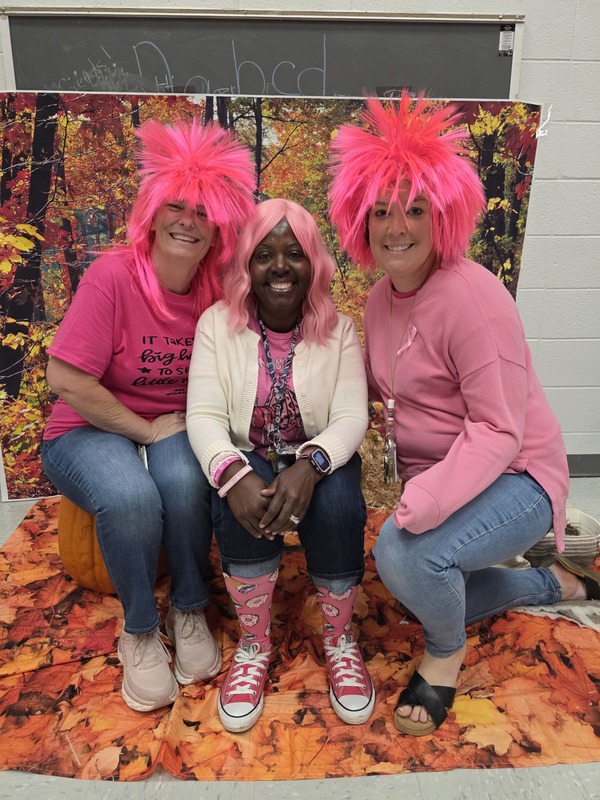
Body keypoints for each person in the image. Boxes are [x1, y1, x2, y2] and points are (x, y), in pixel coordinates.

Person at [327, 93, 598, 737]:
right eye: (382, 211)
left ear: (443, 214)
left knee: (405, 557)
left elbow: (500, 431)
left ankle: (446, 654)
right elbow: (375, 388)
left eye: (415, 209)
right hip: (452, 477)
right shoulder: (378, 301)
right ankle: (555, 585)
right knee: (409, 574)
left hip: (520, 478)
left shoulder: (474, 297)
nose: (398, 226)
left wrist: (427, 502)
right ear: (358, 221)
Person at [42, 118, 255, 713]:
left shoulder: (216, 291)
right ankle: (139, 627)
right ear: (153, 213)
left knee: (188, 481)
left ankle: (189, 606)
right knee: (131, 498)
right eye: (177, 206)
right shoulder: (114, 275)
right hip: (86, 427)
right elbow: (65, 379)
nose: (188, 219)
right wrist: (143, 430)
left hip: (177, 426)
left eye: (203, 210)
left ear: (219, 227)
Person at [186, 198, 374, 733]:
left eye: (294, 253)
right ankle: (253, 643)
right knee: (242, 500)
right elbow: (202, 416)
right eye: (264, 254)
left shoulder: (339, 330)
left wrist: (312, 465)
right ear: (246, 262)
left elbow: (350, 417)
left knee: (338, 499)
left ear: (313, 262)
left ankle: (339, 640)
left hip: (315, 456)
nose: (280, 266)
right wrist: (233, 475)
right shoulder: (216, 326)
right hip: (247, 455)